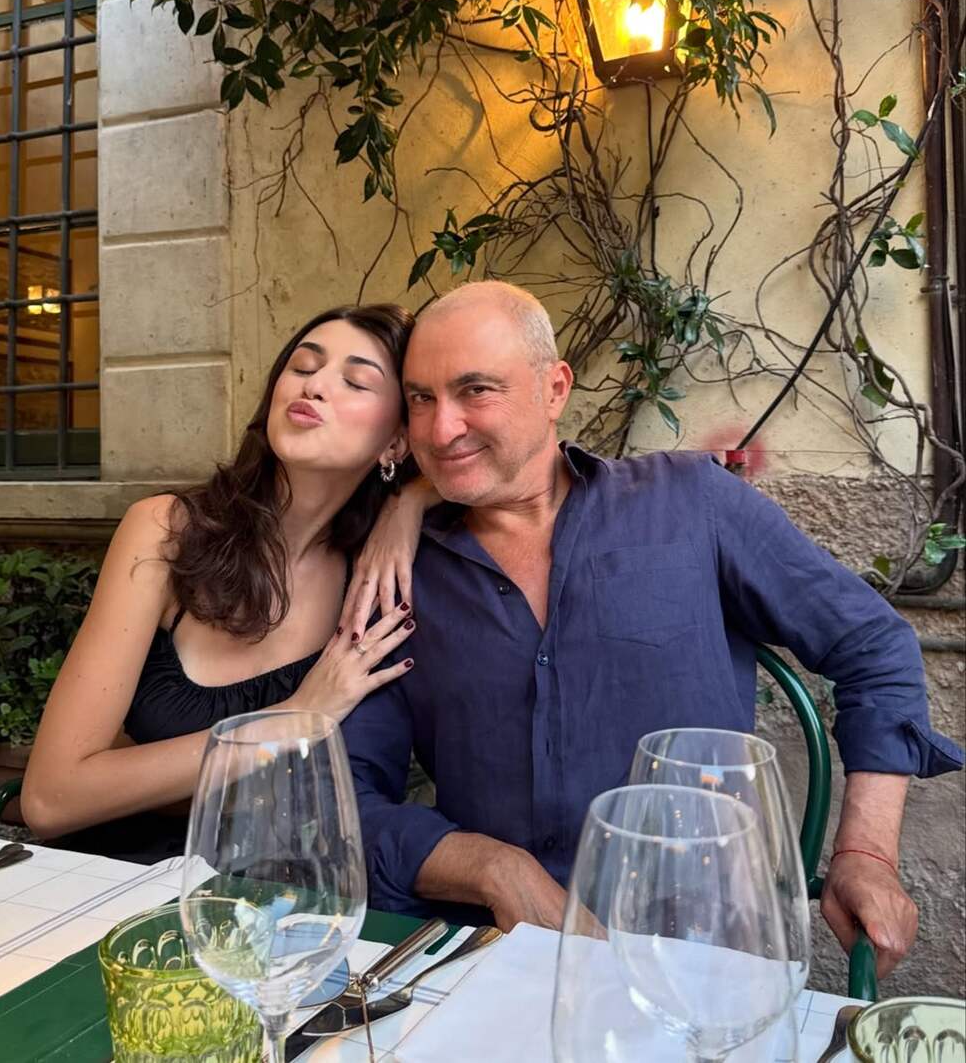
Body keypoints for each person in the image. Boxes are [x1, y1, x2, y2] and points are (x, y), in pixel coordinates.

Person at [342, 280, 964, 979]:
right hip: (493, 963)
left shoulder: (691, 504)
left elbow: (872, 645)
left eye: (475, 390)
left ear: (554, 389)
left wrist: (866, 852)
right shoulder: (395, 577)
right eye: (421, 398)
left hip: (704, 954)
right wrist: (492, 867)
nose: (440, 429)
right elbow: (347, 798)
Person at [22, 304, 423, 862]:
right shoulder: (166, 531)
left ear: (396, 442)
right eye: (303, 367)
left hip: (281, 894)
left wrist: (411, 500)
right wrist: (293, 718)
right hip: (113, 882)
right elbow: (50, 798)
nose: (314, 386)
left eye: (355, 382)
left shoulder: (380, 575)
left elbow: (513, 463)